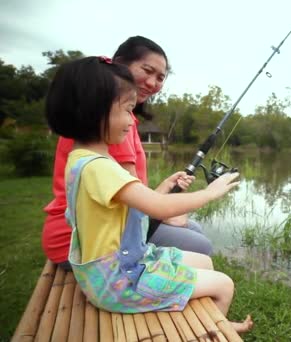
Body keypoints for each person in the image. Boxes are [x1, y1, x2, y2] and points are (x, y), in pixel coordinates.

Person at [44, 56, 253, 332]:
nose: (133, 121)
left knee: (204, 261)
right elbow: (158, 208)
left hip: (115, 268)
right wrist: (210, 192)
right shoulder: (100, 169)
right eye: (127, 110)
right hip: (119, 282)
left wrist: (163, 187)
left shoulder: (82, 159)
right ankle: (215, 331)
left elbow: (130, 205)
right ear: (95, 113)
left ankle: (210, 322)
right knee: (224, 284)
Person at [42, 36, 212, 270]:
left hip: (104, 226)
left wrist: (162, 193)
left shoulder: (111, 120)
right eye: (147, 70)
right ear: (120, 64)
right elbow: (136, 208)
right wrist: (169, 210)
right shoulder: (105, 125)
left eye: (161, 77)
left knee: (193, 230)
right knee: (200, 245)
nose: (153, 82)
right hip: (87, 242)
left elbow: (127, 195)